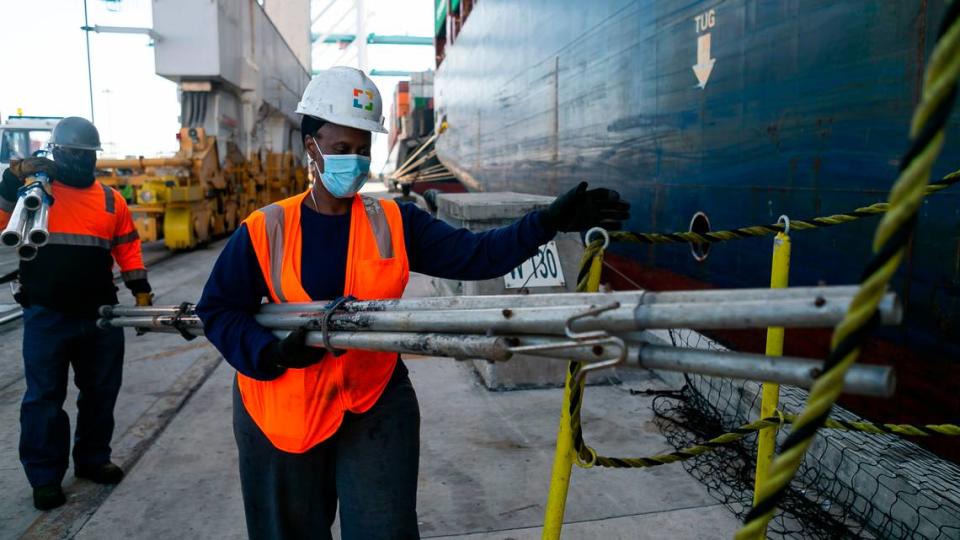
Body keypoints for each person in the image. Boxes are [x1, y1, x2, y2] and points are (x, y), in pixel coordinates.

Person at [195, 66, 630, 540]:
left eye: (363, 150)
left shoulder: (395, 221)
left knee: (385, 530)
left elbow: (476, 254)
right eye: (342, 149)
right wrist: (270, 353)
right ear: (311, 146)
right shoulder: (265, 228)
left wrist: (547, 221)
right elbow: (218, 310)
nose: (355, 162)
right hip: (281, 406)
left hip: (372, 397)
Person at [0, 117, 153, 511]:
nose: (80, 161)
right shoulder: (35, 192)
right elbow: (2, 223)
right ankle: (45, 477)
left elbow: (128, 248)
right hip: (47, 315)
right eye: (72, 154)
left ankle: (92, 459)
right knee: (44, 399)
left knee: (101, 394)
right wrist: (9, 183)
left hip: (100, 315)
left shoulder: (110, 200)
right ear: (56, 153)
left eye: (86, 155)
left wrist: (141, 291)